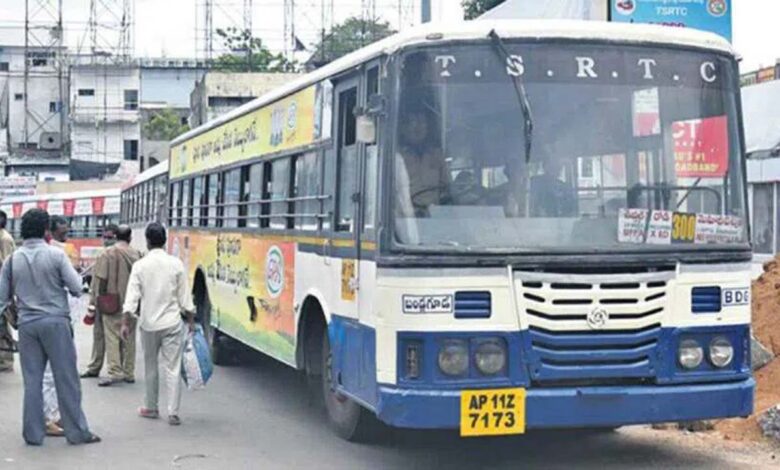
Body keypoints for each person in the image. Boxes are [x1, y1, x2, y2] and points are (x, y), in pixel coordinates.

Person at [0, 209, 100, 445]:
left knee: (32, 381)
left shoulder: (12, 260)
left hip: (26, 326)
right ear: (46, 229)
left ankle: (33, 434)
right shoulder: (56, 255)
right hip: (56, 323)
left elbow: (2, 298)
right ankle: (77, 432)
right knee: (66, 379)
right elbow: (76, 288)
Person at [121, 223, 194, 426]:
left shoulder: (140, 266)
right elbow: (185, 299)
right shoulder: (176, 264)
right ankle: (173, 412)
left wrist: (125, 323)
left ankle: (151, 407)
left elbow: (131, 299)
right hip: (172, 323)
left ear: (147, 240)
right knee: (173, 367)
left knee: (151, 366)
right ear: (164, 240)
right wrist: (191, 321)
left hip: (149, 324)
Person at [89, 225, 141, 387]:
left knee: (111, 336)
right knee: (130, 338)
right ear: (130, 238)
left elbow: (101, 278)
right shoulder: (138, 254)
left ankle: (114, 371)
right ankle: (129, 372)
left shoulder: (108, 253)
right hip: (132, 303)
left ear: (115, 236)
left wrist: (99, 299)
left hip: (112, 301)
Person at [394, 107, 450, 217]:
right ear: (403, 128)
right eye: (413, 122)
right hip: (405, 220)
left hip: (435, 216)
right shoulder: (395, 157)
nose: (418, 127)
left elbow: (447, 187)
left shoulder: (437, 155)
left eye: (422, 122)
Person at [81, 223, 120, 378]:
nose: (106, 240)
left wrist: (94, 300)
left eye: (109, 237)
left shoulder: (108, 255)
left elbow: (99, 282)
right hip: (106, 299)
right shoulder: (104, 254)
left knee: (109, 337)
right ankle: (96, 367)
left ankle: (111, 369)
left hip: (106, 299)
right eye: (104, 237)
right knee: (99, 336)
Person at [0, 210, 16, 373]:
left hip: (2, 288)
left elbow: (6, 266)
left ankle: (5, 360)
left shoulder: (4, 239)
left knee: (3, 324)